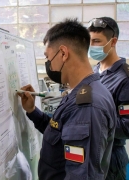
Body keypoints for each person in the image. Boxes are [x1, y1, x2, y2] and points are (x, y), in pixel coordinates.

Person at [18, 18, 117, 180]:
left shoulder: (87, 106)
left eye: (48, 57)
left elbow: (81, 176)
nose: (48, 64)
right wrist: (32, 110)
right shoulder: (81, 92)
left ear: (63, 53)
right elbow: (59, 133)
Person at [88, 17, 129, 180]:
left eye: (97, 41)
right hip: (93, 155)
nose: (91, 46)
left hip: (112, 159)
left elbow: (127, 127)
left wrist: (94, 121)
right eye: (89, 41)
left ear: (113, 42)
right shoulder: (94, 71)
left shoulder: (124, 78)